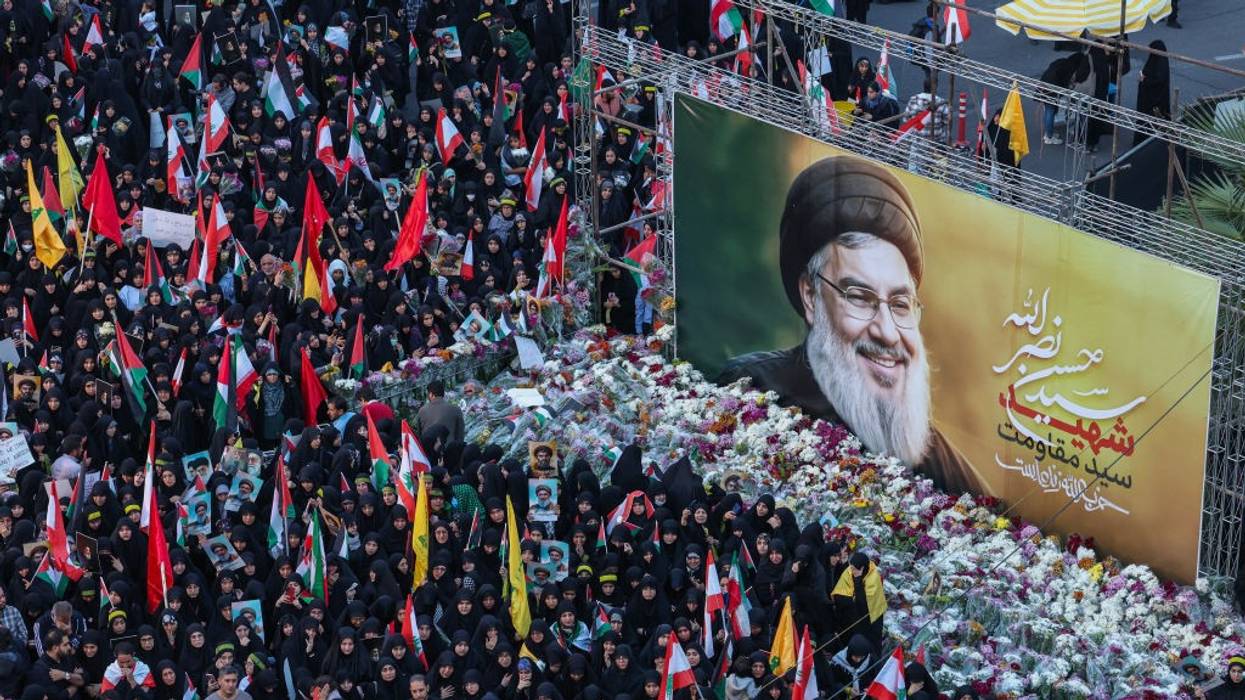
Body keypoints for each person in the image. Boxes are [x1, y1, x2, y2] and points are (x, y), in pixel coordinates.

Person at [717, 155, 987, 495]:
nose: (887, 332)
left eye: (901, 305)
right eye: (860, 297)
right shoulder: (752, 387)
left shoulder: (951, 475)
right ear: (811, 296)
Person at [1135, 41, 1171, 144]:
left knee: (1150, 122)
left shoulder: (1160, 65)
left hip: (1153, 101)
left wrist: (1144, 80)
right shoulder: (1159, 61)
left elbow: (1158, 81)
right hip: (1151, 99)